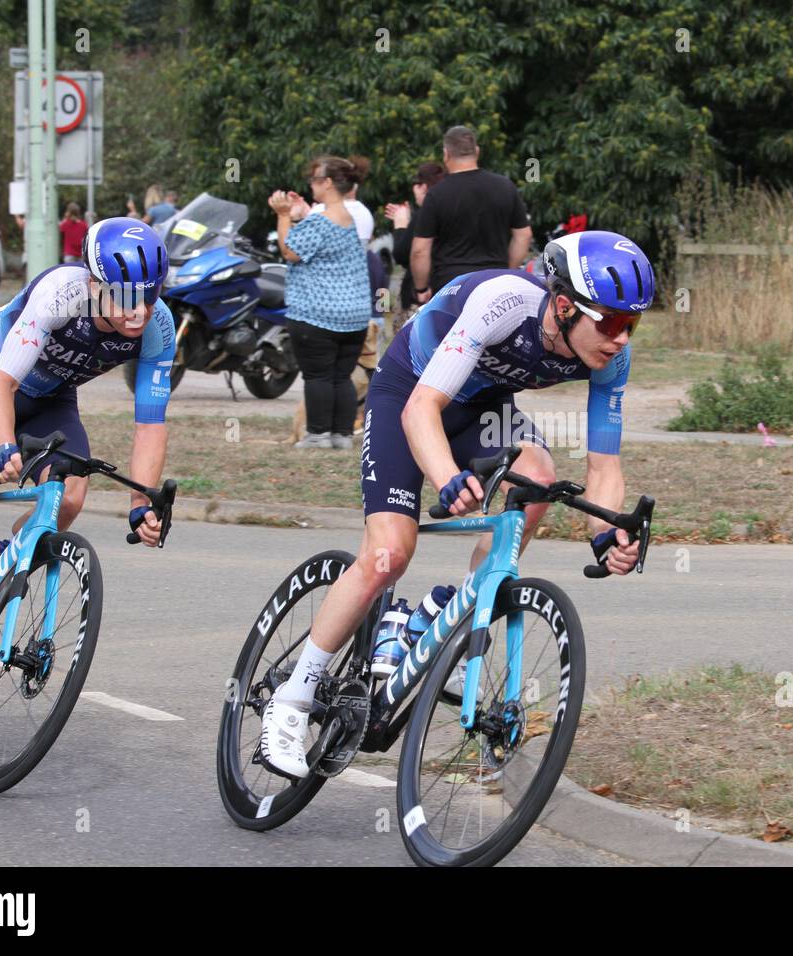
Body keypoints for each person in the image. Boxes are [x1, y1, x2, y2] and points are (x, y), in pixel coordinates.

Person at [256, 230, 654, 778]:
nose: (620, 339)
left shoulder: (611, 358)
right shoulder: (503, 303)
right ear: (564, 306)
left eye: (632, 324)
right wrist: (445, 479)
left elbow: (603, 470)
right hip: (412, 391)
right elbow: (423, 409)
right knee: (389, 552)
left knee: (537, 476)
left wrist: (607, 535)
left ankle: (461, 607)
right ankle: (293, 700)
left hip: (481, 409)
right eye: (610, 322)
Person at [0, 217, 176, 705]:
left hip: (51, 400)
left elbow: (149, 424)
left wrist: (142, 503)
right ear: (94, 283)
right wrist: (3, 446)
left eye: (150, 294)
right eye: (125, 297)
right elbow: (1, 385)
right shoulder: (60, 295)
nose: (138, 311)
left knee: (71, 491)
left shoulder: (157, 326)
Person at [270, 155, 371, 451]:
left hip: (318, 315)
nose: (311, 184)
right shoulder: (348, 218)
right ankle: (340, 435)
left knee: (318, 376)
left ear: (327, 183)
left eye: (315, 179)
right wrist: (300, 215)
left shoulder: (323, 221)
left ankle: (317, 435)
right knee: (341, 376)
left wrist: (283, 214)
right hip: (353, 316)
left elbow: (290, 251)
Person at [409, 126, 532, 305]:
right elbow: (524, 236)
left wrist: (421, 289)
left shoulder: (436, 194)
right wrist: (507, 272)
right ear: (477, 151)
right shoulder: (505, 186)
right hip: (495, 284)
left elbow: (420, 250)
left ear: (446, 154)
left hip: (450, 287)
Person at [385, 161, 446, 325]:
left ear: (423, 187)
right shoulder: (450, 209)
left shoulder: (424, 213)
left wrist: (400, 226)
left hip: (419, 297)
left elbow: (403, 254)